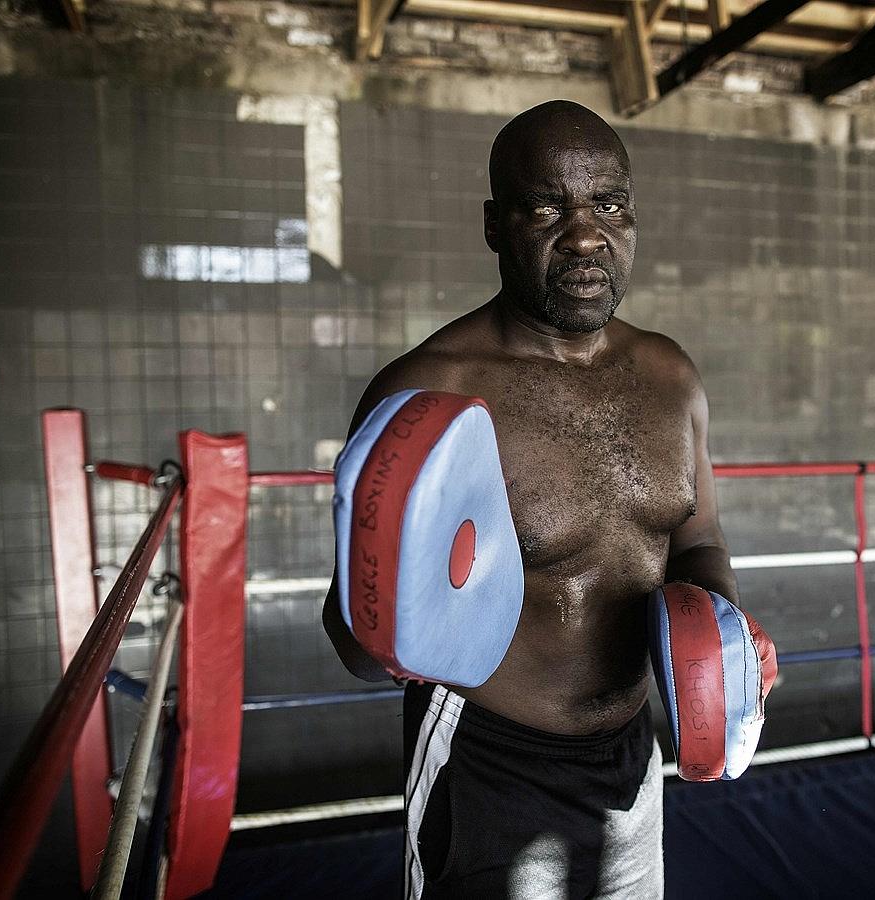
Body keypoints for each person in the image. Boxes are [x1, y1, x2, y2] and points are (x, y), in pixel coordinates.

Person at [323, 99, 740, 899]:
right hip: (488, 766)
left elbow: (698, 540)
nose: (586, 234)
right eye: (548, 206)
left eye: (609, 204)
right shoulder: (428, 393)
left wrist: (723, 637)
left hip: (631, 752)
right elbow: (351, 635)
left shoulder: (670, 375)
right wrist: (387, 620)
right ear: (494, 224)